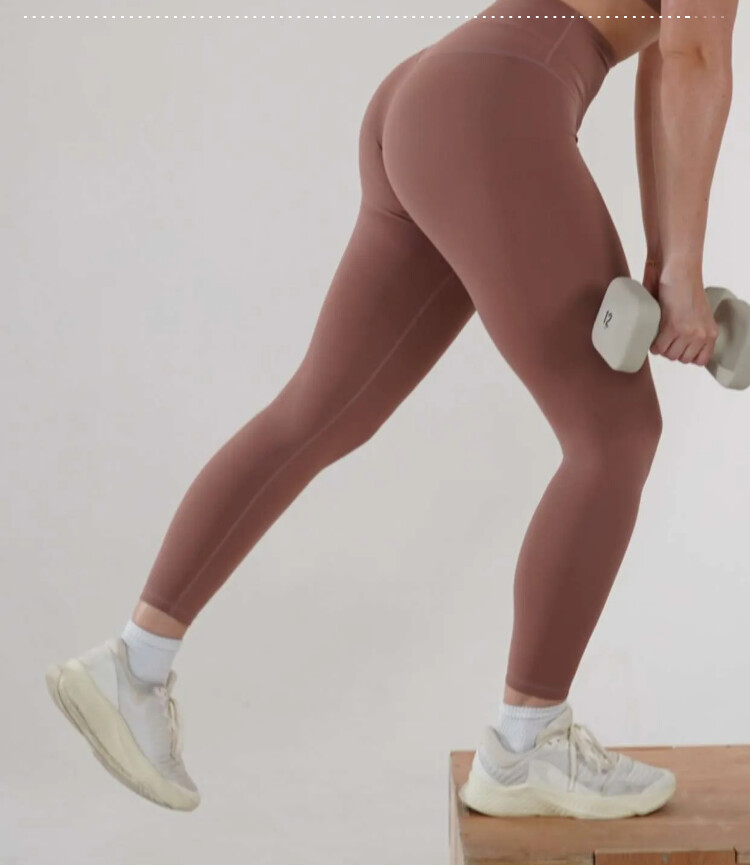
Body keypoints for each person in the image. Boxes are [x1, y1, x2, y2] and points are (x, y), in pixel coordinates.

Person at [46, 0, 739, 818]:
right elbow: (694, 56)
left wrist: (668, 255)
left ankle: (132, 665)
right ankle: (527, 746)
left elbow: (668, 56)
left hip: (439, 92)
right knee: (615, 437)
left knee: (317, 410)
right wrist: (681, 273)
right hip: (497, 107)